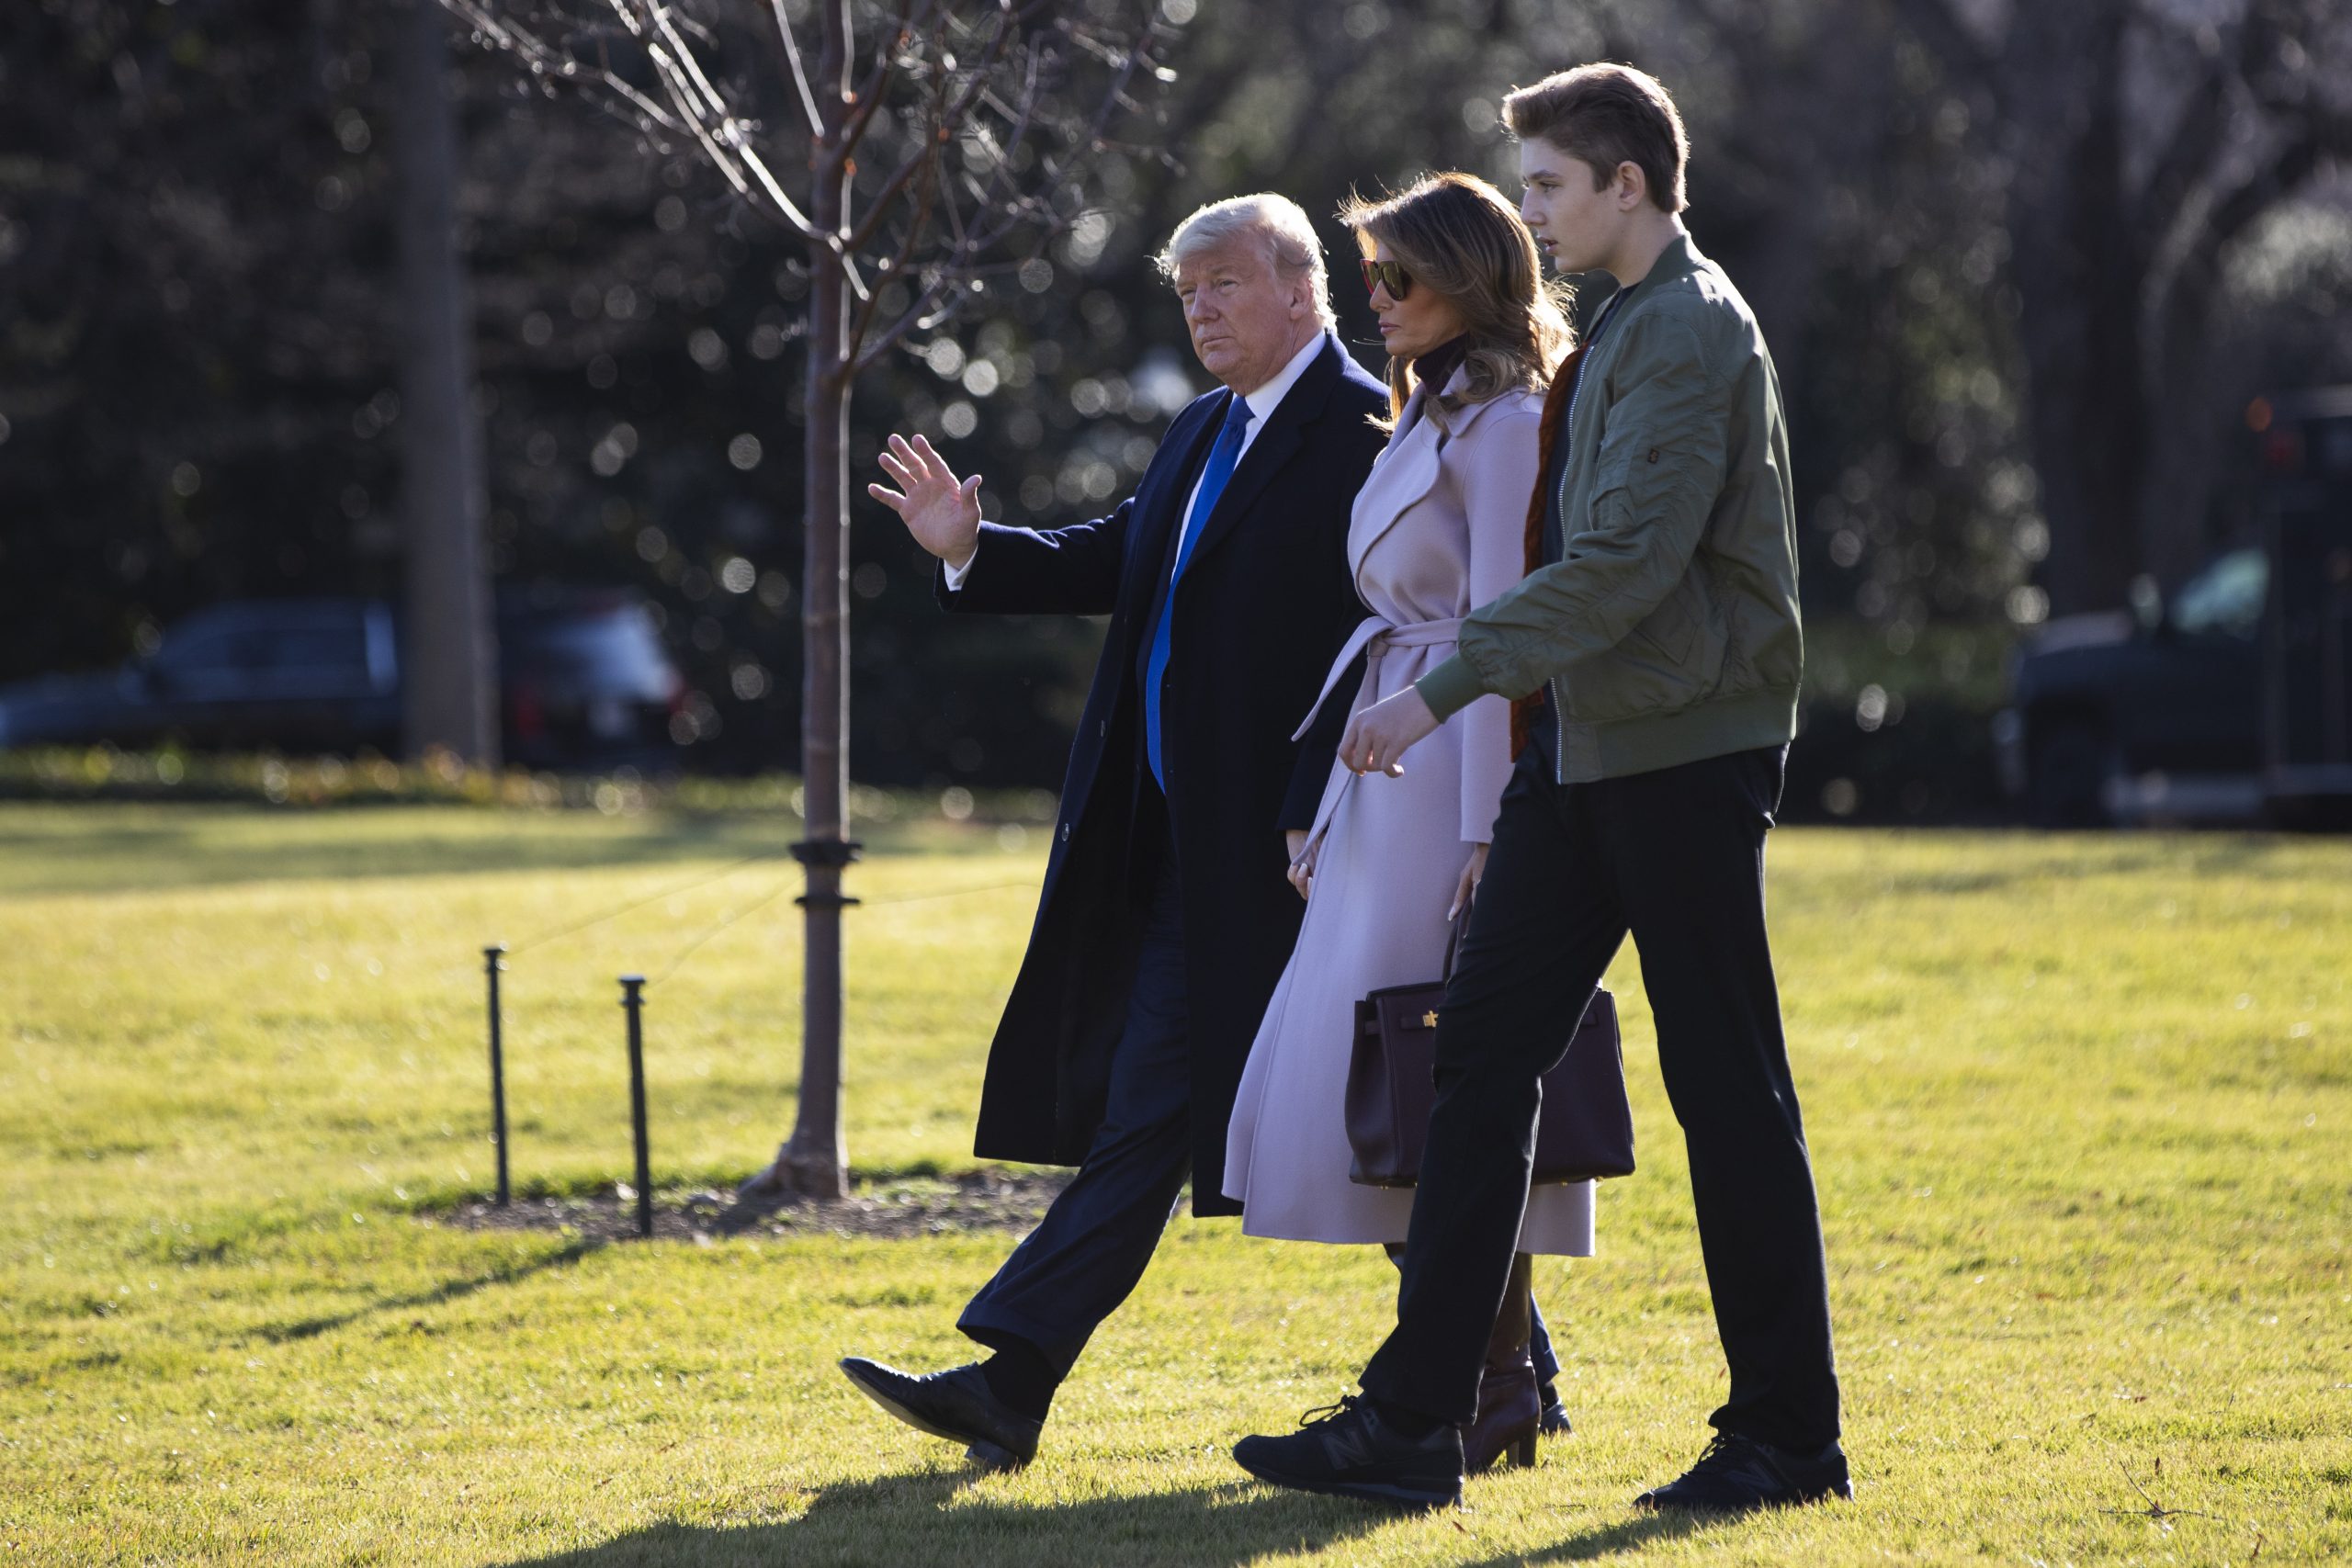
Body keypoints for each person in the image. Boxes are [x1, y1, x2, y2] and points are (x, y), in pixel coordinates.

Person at [1232, 63, 1849, 1514]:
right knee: (1477, 1059)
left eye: (1552, 188)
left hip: (1682, 755)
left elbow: (1624, 568)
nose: (1534, 215)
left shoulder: (1690, 332)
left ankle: (1787, 1438)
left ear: (1628, 184)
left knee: (1728, 1094)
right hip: (1580, 753)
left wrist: (1440, 691)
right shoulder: (1624, 328)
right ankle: (1417, 1423)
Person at [840, 195, 1390, 1470]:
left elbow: (1394, 636)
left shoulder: (1368, 429)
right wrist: (976, 549)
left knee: (1375, 1113)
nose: (1199, 311)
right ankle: (1012, 1382)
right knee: (1156, 1112)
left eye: (1224, 286)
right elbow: (1123, 557)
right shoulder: (1206, 425)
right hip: (1183, 857)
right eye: (1185, 293)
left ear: (1302, 285)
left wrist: (1320, 804)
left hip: (1308, 857)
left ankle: (1501, 1367)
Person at [1221, 172, 1588, 1475]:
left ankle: (1480, 1385)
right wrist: (1321, 804)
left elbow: (1506, 631)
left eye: (1397, 280)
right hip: (1387, 776)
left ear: (1467, 281)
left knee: (1422, 1093)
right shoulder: (1429, 411)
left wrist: (1495, 828)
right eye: (1368, 277)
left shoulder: (1503, 424)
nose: (1375, 303)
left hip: (1450, 782)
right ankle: (1498, 1378)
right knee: (1382, 1095)